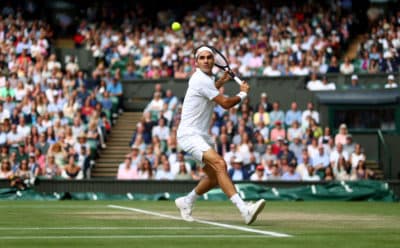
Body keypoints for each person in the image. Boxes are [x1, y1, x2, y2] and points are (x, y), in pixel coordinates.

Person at [175, 45, 265, 225]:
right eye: (202, 58)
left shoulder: (207, 79)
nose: (206, 60)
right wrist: (242, 94)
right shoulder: (200, 79)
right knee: (220, 164)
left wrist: (220, 83)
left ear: (213, 60)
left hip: (201, 135)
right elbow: (224, 103)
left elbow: (207, 94)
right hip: (189, 134)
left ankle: (187, 201)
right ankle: (244, 209)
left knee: (215, 176)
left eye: (209, 57)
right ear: (196, 63)